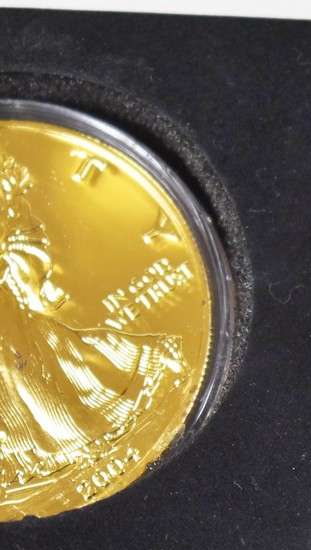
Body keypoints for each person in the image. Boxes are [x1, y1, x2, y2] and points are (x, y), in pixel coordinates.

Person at [0, 151, 187, 491]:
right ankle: (72, 439)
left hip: (12, 314)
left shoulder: (11, 210)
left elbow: (29, 248)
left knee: (29, 361)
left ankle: (80, 436)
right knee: (33, 359)